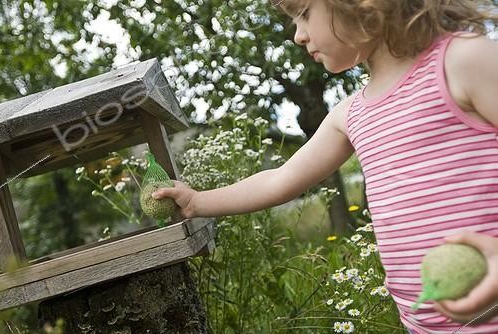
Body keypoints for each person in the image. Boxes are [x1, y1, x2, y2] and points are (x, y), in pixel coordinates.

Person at [152, 0, 498, 332]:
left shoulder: (463, 60)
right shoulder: (350, 115)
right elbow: (281, 178)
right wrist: (197, 202)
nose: (298, 35)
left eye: (304, 13)